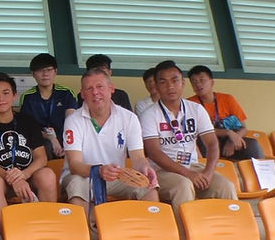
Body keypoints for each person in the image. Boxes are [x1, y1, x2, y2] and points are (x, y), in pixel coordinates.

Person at [61, 69, 159, 218]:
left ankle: (151, 235)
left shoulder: (129, 118)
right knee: (76, 184)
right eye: (89, 88)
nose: (95, 92)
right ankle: (84, 238)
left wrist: (145, 169)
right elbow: (75, 165)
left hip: (116, 176)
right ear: (82, 94)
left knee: (148, 187)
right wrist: (99, 170)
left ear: (111, 89)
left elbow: (138, 157)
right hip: (83, 176)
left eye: (100, 87)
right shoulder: (73, 120)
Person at [141, 60, 236, 212]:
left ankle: (232, 233)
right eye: (163, 82)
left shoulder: (196, 109)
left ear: (183, 83)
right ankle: (187, 235)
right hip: (162, 171)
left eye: (175, 80)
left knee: (226, 186)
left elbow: (212, 144)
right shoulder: (149, 114)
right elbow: (154, 152)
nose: (170, 86)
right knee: (183, 185)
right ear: (157, 87)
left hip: (193, 166)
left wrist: (208, 173)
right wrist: (187, 174)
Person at [0, 72, 55, 228]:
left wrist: (24, 175)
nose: (1, 99)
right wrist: (13, 179)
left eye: (6, 93)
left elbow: (41, 158)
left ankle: (48, 228)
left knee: (47, 175)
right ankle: (9, 236)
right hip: (3, 178)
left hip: (29, 175)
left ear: (14, 96)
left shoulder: (28, 121)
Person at [186, 65, 263, 160]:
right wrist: (227, 132)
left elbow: (244, 128)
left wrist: (233, 139)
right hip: (207, 141)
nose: (198, 84)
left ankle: (259, 172)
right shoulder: (189, 104)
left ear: (212, 82)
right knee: (202, 142)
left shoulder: (227, 99)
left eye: (202, 80)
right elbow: (198, 132)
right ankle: (209, 171)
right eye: (194, 82)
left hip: (229, 140)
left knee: (252, 145)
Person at [19, 53, 78, 159]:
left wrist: (68, 144)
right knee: (46, 145)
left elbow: (72, 122)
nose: (45, 74)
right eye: (40, 70)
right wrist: (51, 138)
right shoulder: (28, 97)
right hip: (40, 140)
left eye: (48, 70)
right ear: (33, 74)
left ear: (55, 72)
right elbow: (27, 127)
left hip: (66, 138)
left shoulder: (66, 93)